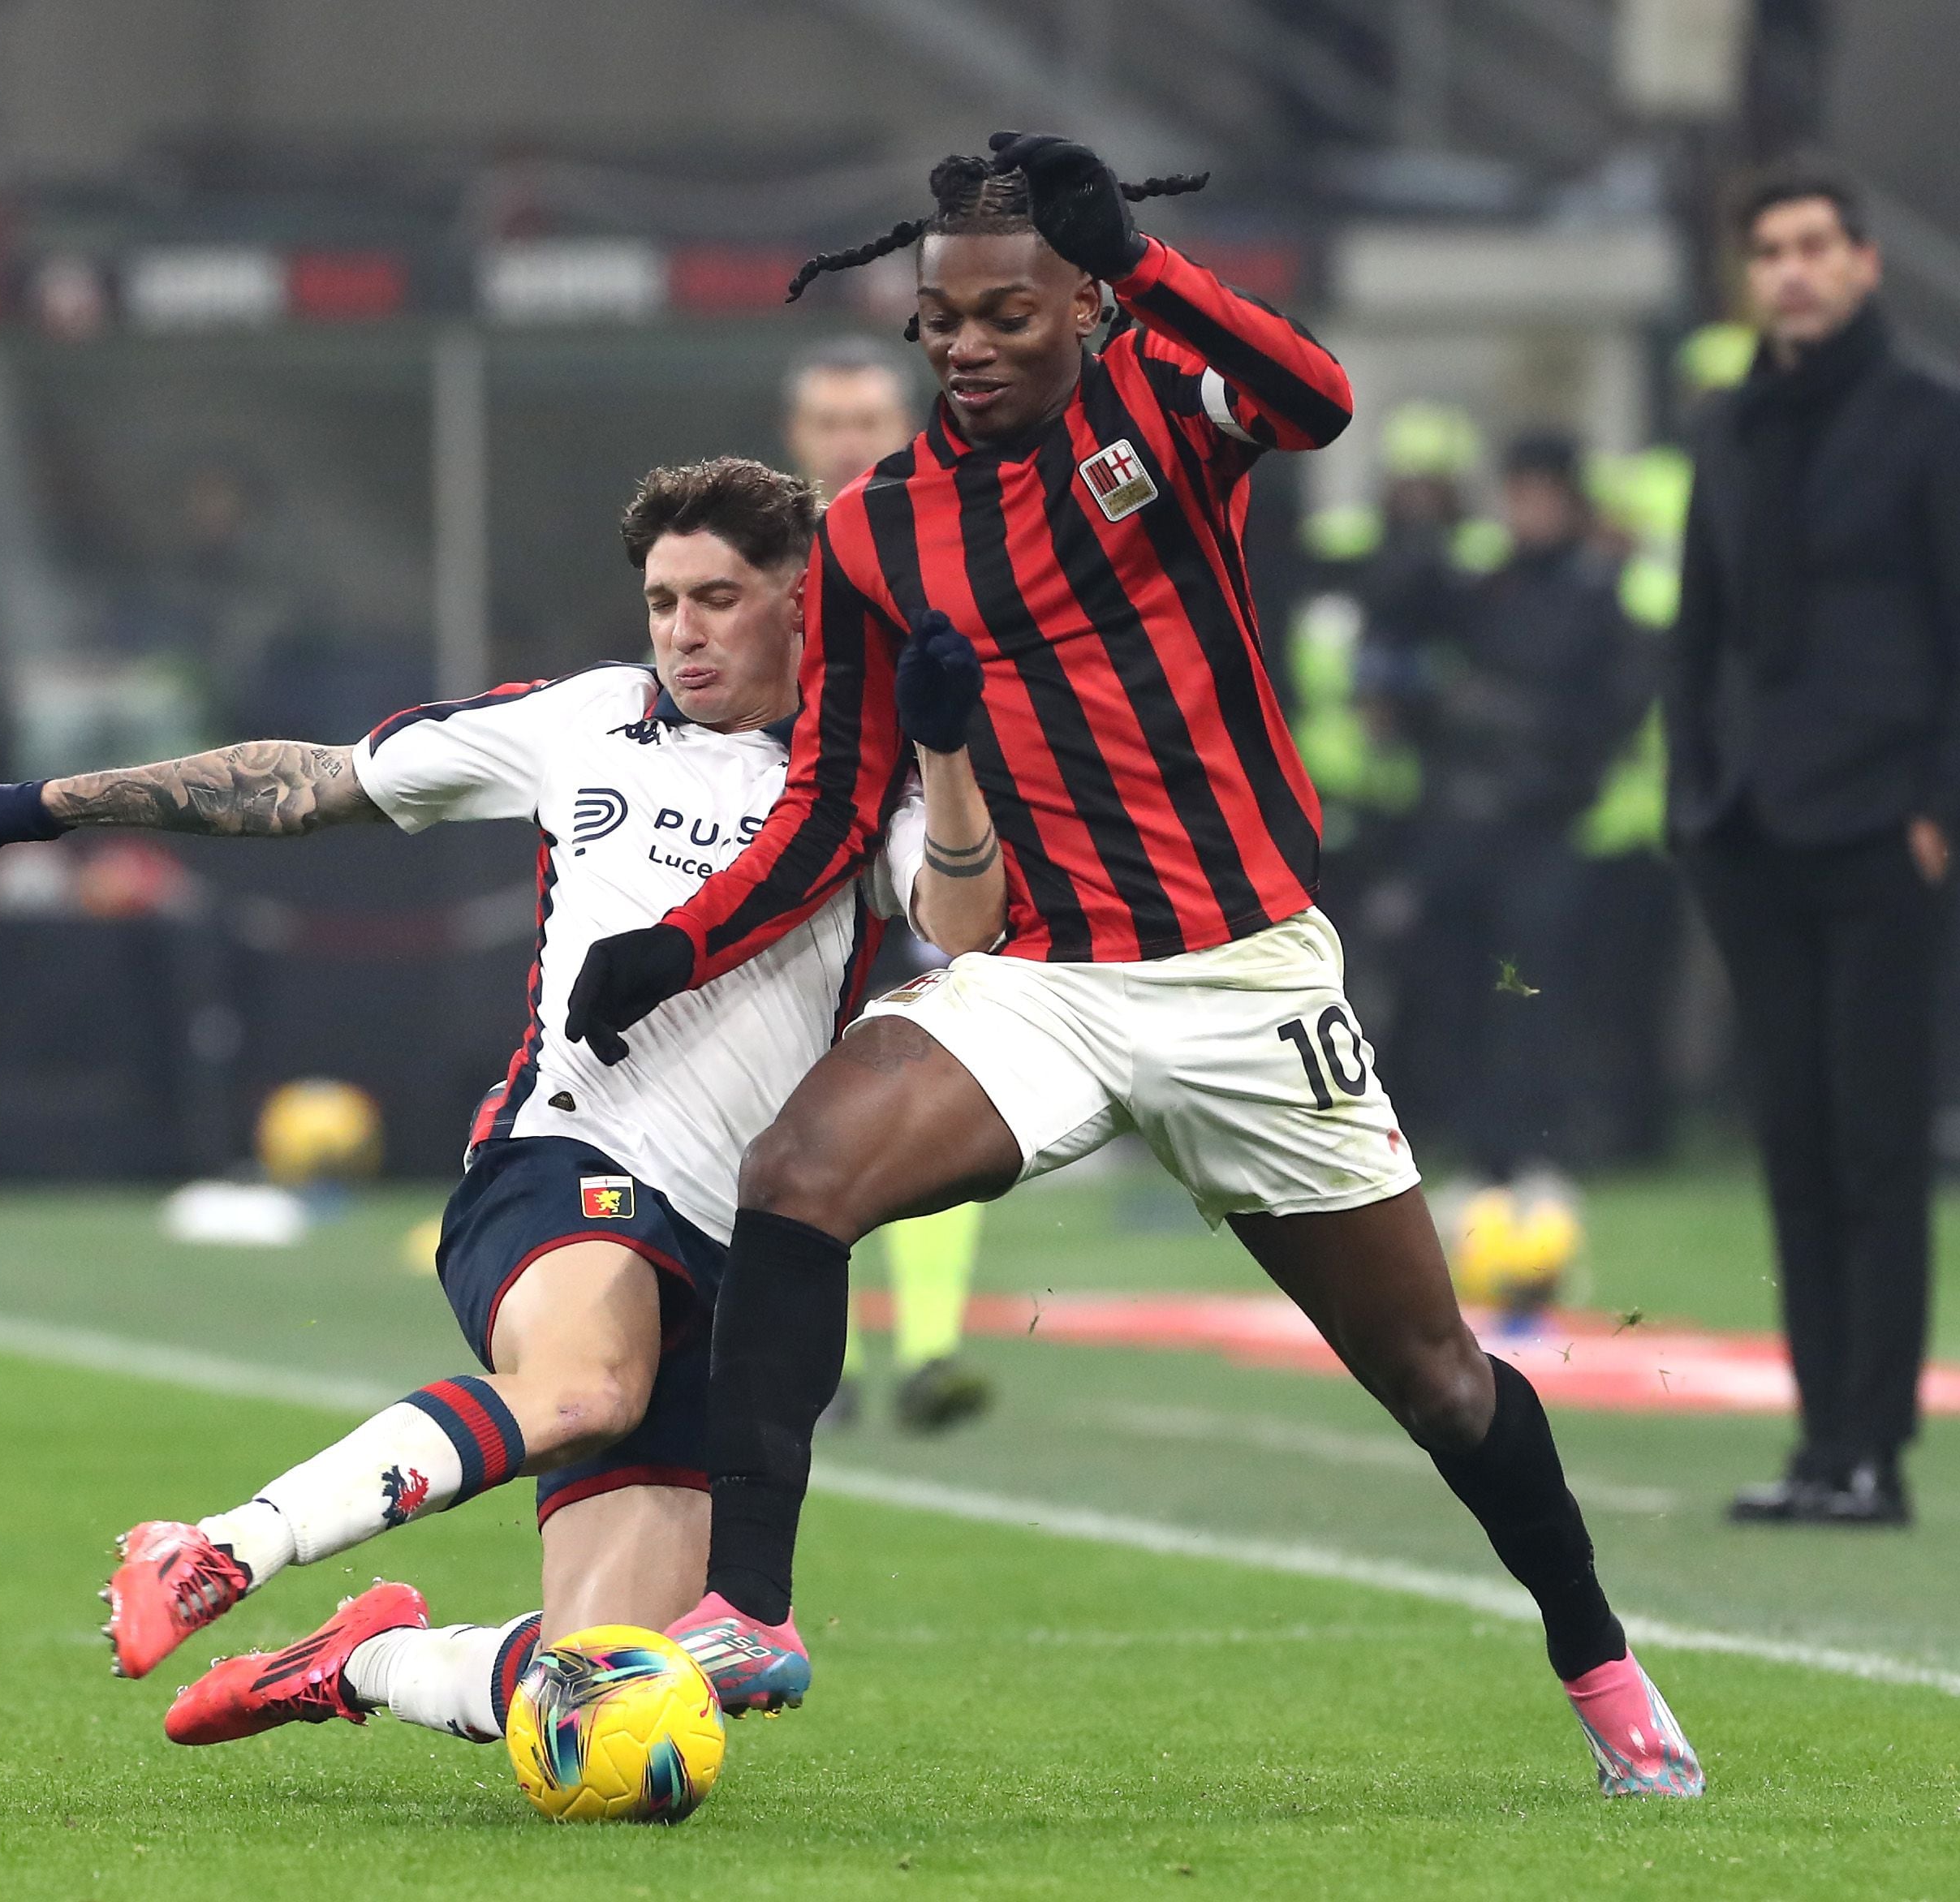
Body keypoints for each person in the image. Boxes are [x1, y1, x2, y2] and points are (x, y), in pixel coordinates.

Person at [566, 135, 1704, 1798]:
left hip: (1246, 979)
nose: (966, 347)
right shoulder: (874, 528)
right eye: (942, 321)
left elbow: (1316, 400)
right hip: (1048, 979)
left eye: (1007, 314)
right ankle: (749, 1605)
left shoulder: (1159, 409)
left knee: (1435, 1375)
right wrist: (678, 943)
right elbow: (829, 801)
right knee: (794, 1175)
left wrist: (1149, 264)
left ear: (1083, 307)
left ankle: (1599, 1661)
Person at [0, 457, 1009, 1750]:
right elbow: (312, 783)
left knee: (610, 1690)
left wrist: (944, 749)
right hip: (565, 1160)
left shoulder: (860, 781)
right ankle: (218, 1547)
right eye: (662, 602)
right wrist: (54, 804)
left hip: (737, 1246)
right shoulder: (585, 719)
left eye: (716, 599)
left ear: (797, 601)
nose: (683, 633)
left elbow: (963, 921)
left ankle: (365, 1660)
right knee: (587, 1390)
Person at [1665, 159, 1960, 1528]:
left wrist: (1944, 813)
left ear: (1865, 262)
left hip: (1881, 825)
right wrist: (1692, 794)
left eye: (1815, 246)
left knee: (1875, 1146)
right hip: (1748, 827)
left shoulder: (1940, 419)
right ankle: (1820, 1443)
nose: (1793, 271)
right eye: (1770, 251)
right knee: (1794, 1144)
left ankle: (1875, 1448)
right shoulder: (1729, 423)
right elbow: (1698, 628)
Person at [785, 335, 997, 1432]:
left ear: (903, 425)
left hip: (923, 841)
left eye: (864, 421)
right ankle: (822, 1359)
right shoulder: (761, 559)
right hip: (802, 854)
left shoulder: (952, 534)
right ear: (795, 435)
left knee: (926, 1085)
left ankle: (926, 1352)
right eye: (827, 422)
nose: (845, 441)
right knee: (791, 1098)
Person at [1393, 430, 1648, 1182]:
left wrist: (1530, 738)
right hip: (1469, 822)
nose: (1526, 512)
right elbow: (1410, 630)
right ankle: (1478, 1144)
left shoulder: (1595, 594)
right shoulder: (1485, 584)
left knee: (1534, 989)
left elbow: (1613, 707)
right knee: (1463, 986)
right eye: (1517, 496)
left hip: (1546, 826)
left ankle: (1534, 1144)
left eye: (1540, 496)